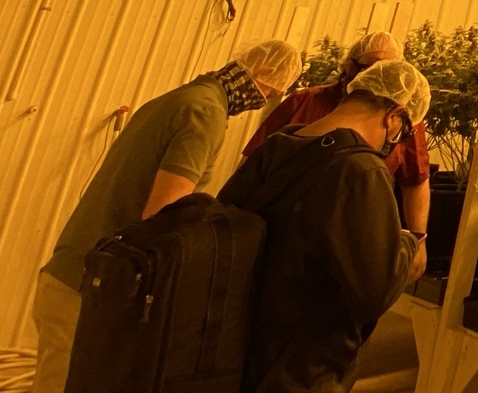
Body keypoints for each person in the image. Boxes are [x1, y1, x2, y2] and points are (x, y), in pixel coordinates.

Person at [31, 40, 304, 393]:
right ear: (264, 74)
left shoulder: (179, 99)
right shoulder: (206, 113)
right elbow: (162, 216)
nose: (266, 100)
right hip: (92, 287)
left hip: (74, 269)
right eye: (272, 92)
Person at [222, 60, 432, 393]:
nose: (396, 142)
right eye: (404, 133)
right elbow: (374, 292)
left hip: (238, 351)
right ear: (394, 115)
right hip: (302, 370)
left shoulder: (278, 146)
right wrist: (407, 244)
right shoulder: (361, 170)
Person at [244, 30, 431, 236]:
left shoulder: (403, 121)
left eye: (388, 68)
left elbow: (416, 179)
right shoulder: (303, 103)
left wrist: (417, 238)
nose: (379, 73)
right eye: (371, 66)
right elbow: (252, 164)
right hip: (277, 229)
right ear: (351, 66)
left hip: (351, 230)